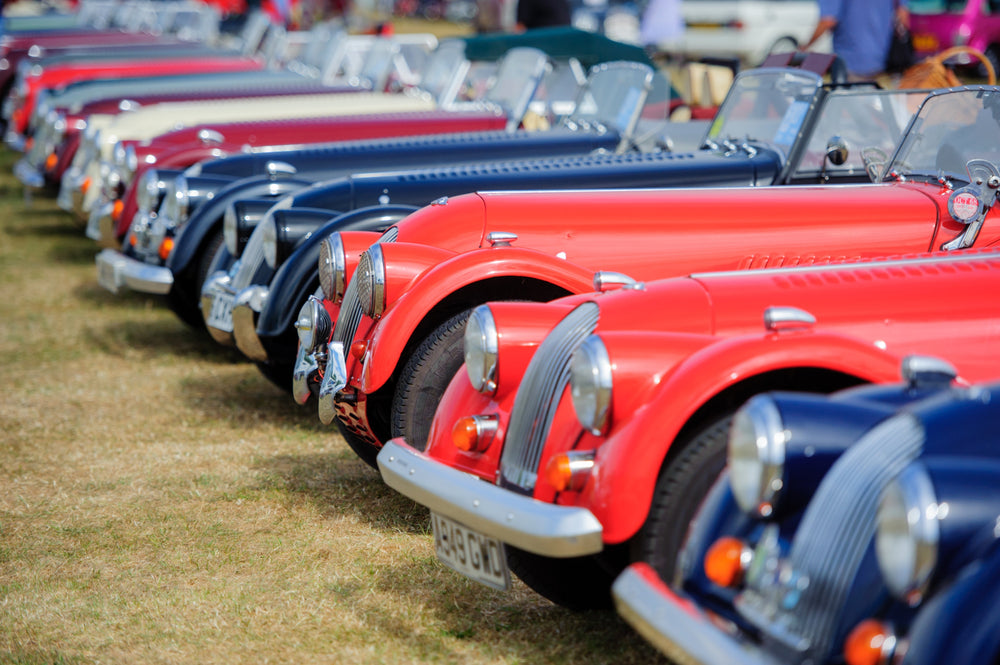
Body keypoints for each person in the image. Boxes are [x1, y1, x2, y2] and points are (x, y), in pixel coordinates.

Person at [802, 0, 909, 80]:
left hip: (849, 62)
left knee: (846, 107)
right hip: (881, 59)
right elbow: (903, 16)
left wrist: (805, 46)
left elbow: (828, 21)